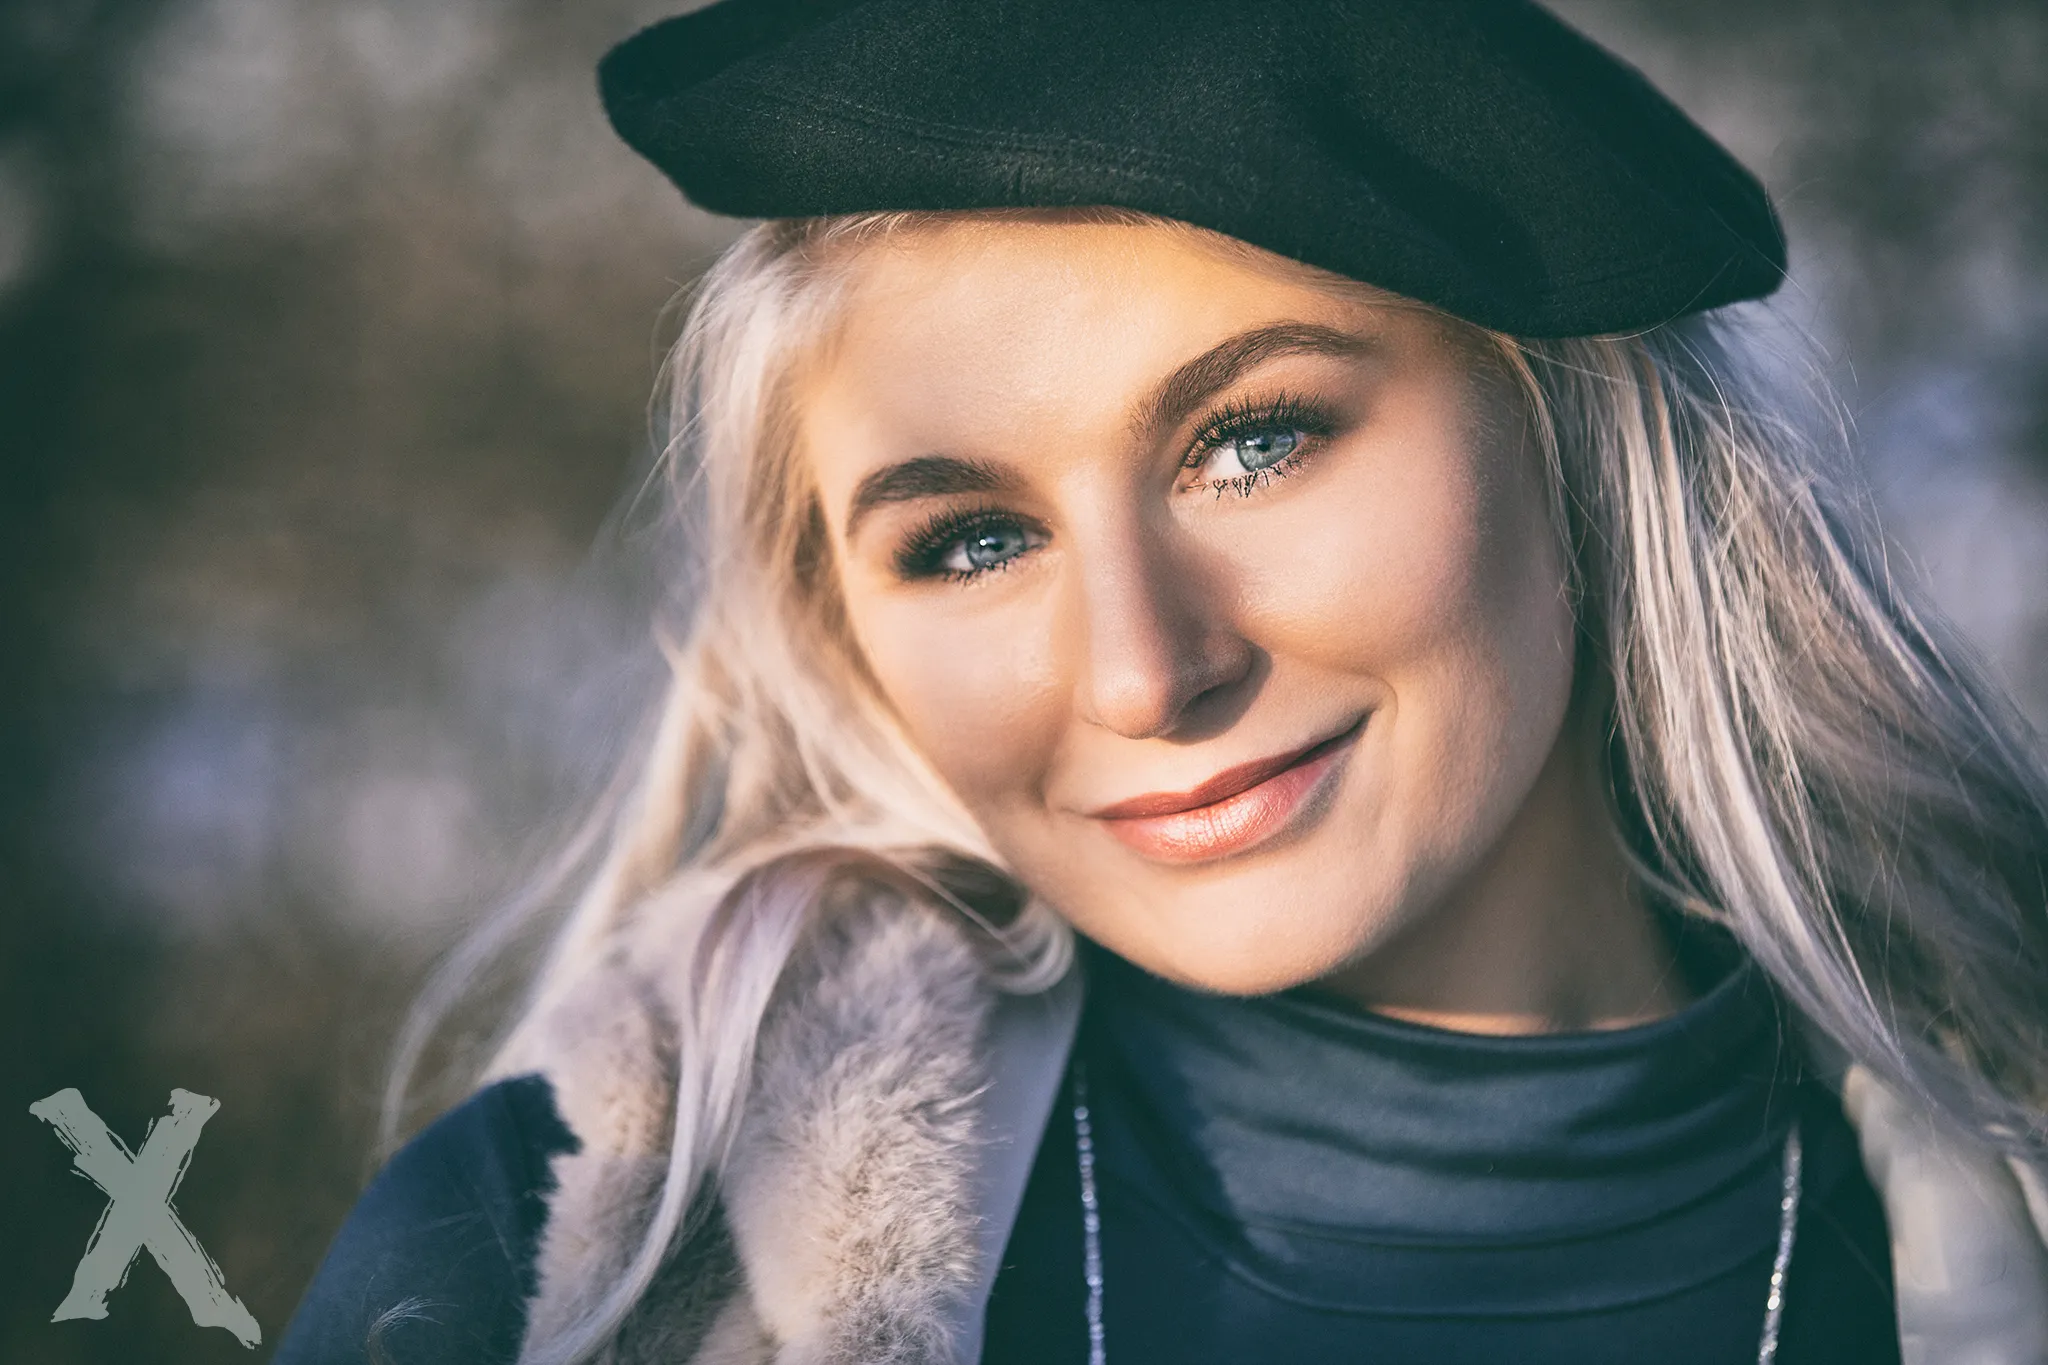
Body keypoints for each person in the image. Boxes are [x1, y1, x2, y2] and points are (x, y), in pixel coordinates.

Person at [275, 2, 2048, 1362]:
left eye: (1253, 441)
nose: (1141, 670)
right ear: (842, 627)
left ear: (1574, 424)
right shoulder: (581, 1241)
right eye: (970, 541)